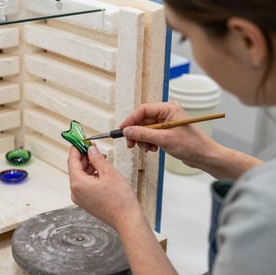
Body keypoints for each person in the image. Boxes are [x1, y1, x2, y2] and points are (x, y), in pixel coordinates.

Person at [67, 0, 276, 274]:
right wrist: (207, 153)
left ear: (247, 40)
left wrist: (125, 215)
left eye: (186, 36)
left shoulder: (262, 211)